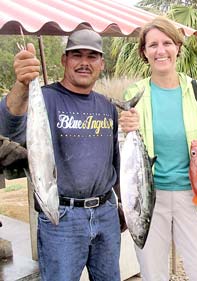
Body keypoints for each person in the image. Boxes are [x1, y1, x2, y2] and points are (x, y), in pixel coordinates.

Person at [0, 29, 122, 281]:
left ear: (101, 63)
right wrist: (22, 86)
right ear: (64, 60)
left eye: (92, 56)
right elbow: (8, 127)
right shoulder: (43, 98)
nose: (84, 63)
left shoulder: (107, 106)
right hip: (62, 218)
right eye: (76, 55)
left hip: (106, 214)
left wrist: (120, 204)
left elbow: (114, 161)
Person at [119, 17, 197, 281]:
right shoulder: (136, 91)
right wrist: (126, 125)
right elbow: (128, 143)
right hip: (150, 196)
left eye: (167, 43)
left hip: (194, 194)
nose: (160, 50)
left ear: (178, 47)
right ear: (144, 52)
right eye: (152, 45)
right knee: (153, 274)